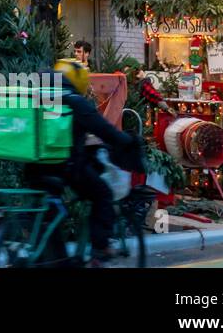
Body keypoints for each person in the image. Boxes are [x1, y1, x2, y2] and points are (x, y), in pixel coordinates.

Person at [26, 58, 142, 264]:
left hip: (32, 167)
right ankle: (101, 246)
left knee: (50, 212)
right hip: (65, 168)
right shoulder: (75, 101)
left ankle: (55, 258)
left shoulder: (36, 98)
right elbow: (104, 130)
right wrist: (128, 141)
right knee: (102, 194)